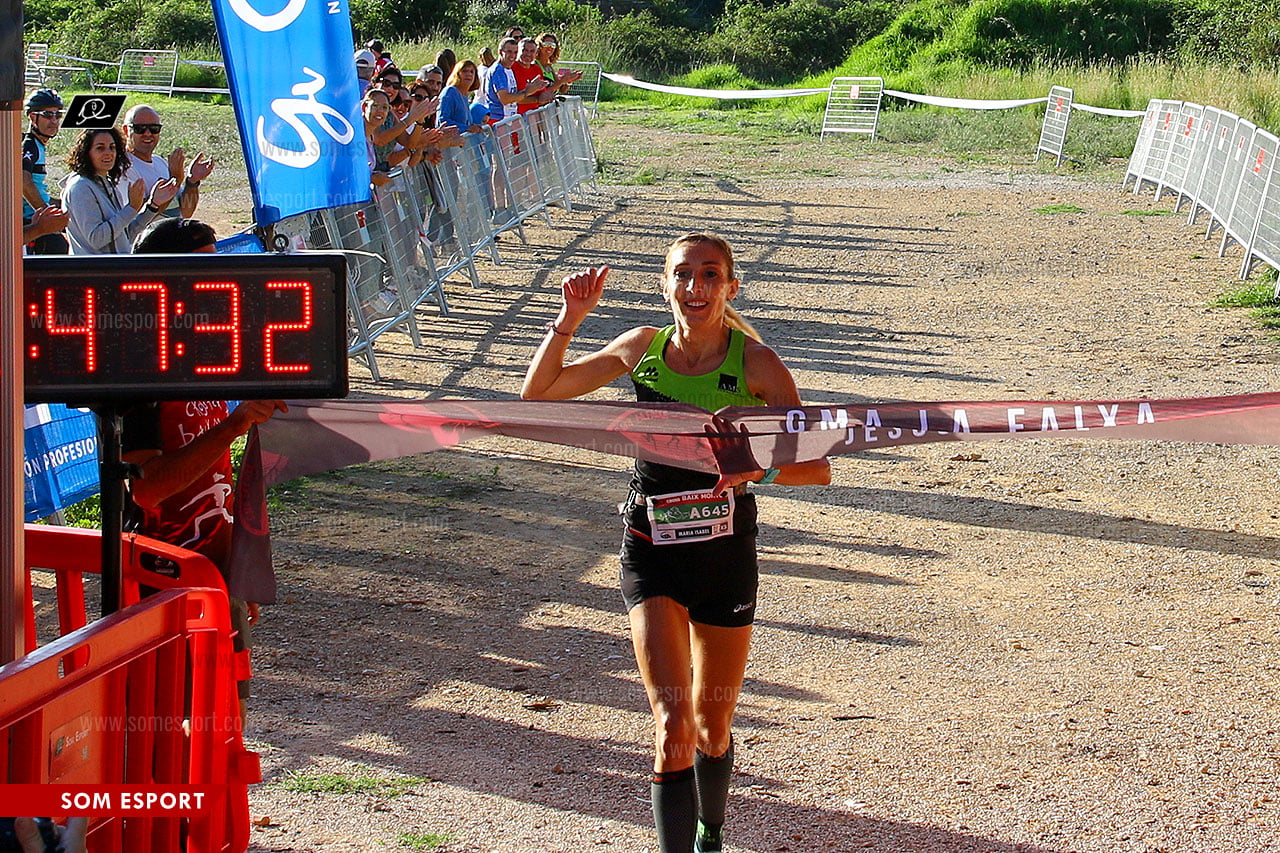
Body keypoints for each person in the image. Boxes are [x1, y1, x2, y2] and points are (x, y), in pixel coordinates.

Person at [521, 234, 831, 853]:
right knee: (671, 726)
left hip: (725, 554)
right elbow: (538, 394)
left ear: (730, 287)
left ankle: (710, 831)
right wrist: (569, 319)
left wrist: (757, 470)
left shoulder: (758, 365)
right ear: (665, 284)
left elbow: (815, 466)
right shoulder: (642, 349)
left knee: (713, 725)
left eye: (709, 275)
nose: (695, 288)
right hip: (650, 546)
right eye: (683, 275)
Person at [125, 217, 288, 725]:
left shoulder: (203, 352)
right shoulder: (136, 367)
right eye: (207, 263)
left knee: (230, 700)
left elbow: (213, 471)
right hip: (163, 576)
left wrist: (238, 559)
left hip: (216, 565)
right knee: (170, 713)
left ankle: (226, 803)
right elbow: (148, 491)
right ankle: (169, 805)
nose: (219, 276)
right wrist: (234, 425)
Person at [62, 127, 178, 255]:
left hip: (115, 269)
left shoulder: (107, 183)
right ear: (86, 152)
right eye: (100, 148)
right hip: (94, 271)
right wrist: (132, 208)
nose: (108, 153)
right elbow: (97, 239)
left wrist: (153, 205)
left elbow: (125, 234)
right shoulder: (80, 187)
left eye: (112, 147)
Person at [122, 104, 214, 219]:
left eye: (154, 129)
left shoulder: (160, 162)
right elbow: (137, 218)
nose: (148, 133)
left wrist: (192, 182)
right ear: (126, 130)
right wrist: (175, 179)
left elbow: (185, 212)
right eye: (140, 128)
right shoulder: (124, 168)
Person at [21, 88, 69, 254]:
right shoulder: (30, 145)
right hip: (28, 223)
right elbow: (22, 181)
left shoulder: (38, 145)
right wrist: (46, 215)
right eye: (48, 115)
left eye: (58, 115)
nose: (54, 120)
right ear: (33, 117)